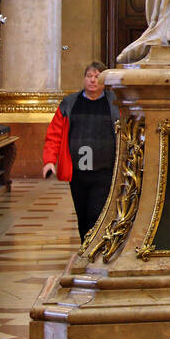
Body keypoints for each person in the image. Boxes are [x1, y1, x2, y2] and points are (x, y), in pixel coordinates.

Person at [43, 62, 121, 243]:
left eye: (97, 77)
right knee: (82, 214)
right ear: (84, 79)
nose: (93, 81)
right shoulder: (70, 103)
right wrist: (49, 161)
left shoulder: (115, 103)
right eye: (89, 76)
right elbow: (54, 134)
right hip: (77, 171)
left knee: (97, 211)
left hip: (105, 170)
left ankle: (94, 248)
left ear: (104, 81)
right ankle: (85, 247)